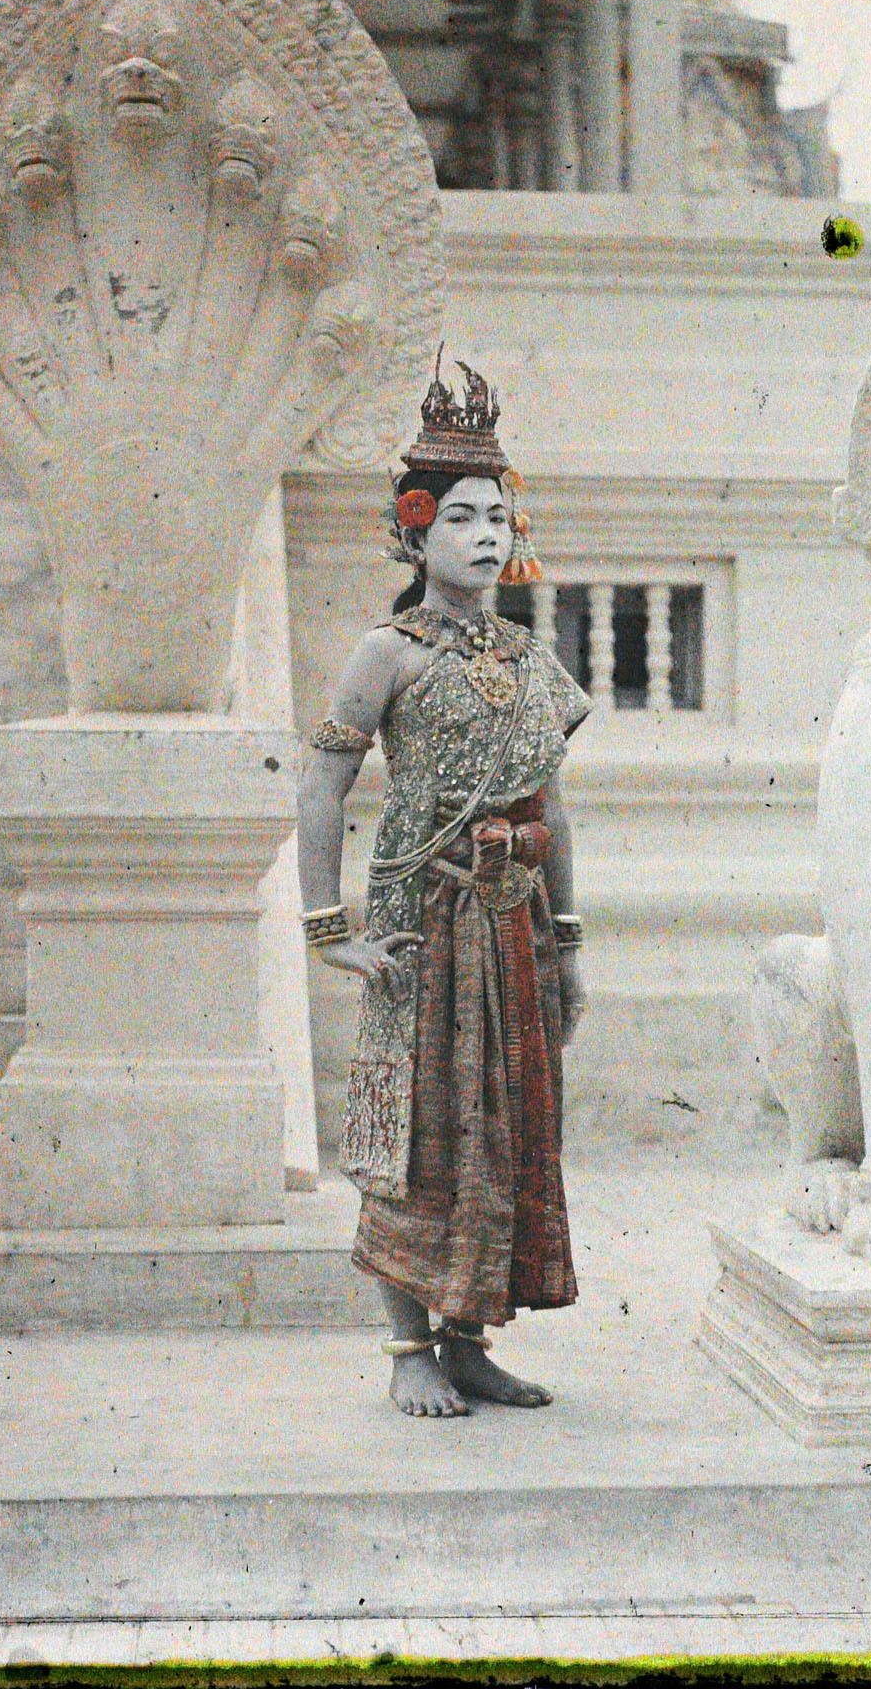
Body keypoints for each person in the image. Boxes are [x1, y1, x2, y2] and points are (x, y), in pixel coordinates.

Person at [296, 354, 591, 1419]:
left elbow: (553, 809)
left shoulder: (530, 657)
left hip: (512, 931)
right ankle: (408, 1350)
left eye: (498, 518)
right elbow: (323, 782)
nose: (485, 535)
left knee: (502, 1121)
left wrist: (565, 942)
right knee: (411, 1128)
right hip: (422, 923)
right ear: (413, 533)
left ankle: (468, 1340)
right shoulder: (389, 651)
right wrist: (329, 926)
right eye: (461, 516)